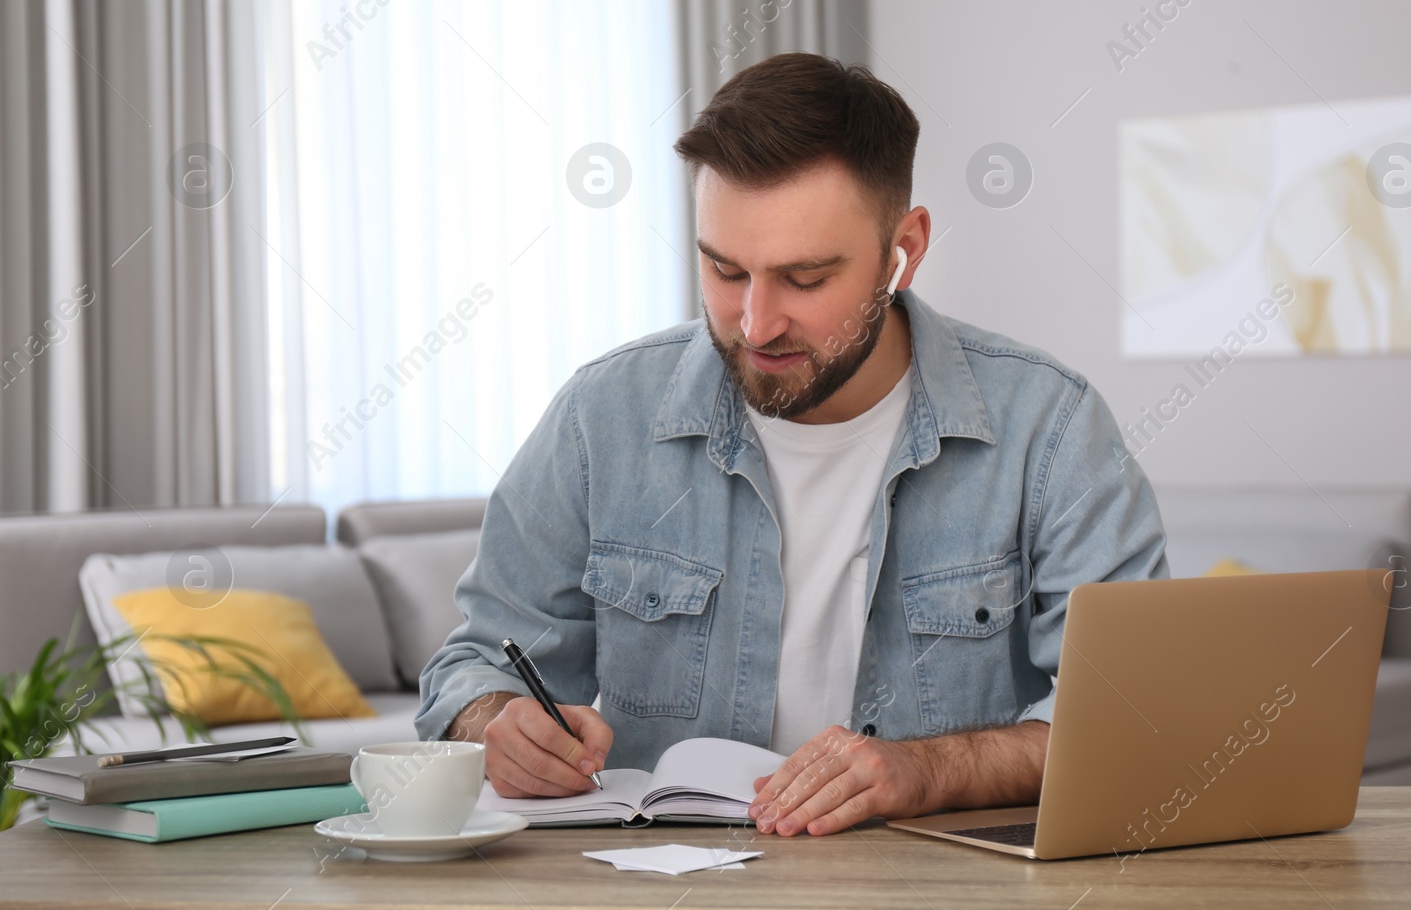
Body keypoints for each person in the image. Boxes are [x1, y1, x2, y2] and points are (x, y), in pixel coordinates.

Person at [416, 52, 1167, 837]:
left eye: (805, 278)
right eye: (724, 268)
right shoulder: (600, 418)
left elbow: (1134, 710)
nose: (755, 323)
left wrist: (929, 768)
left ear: (903, 248)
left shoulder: (1050, 428)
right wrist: (495, 722)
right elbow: (467, 671)